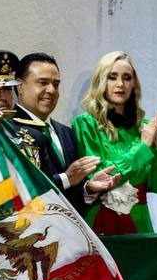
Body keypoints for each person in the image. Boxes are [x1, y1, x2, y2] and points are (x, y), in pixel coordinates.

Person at [72, 51, 157, 233]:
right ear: (101, 82)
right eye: (112, 77)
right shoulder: (86, 123)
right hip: (102, 220)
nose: (120, 84)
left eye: (127, 78)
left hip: (140, 222)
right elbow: (104, 175)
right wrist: (144, 147)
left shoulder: (144, 128)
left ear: (134, 85)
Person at [12, 52, 119, 215]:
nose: (51, 90)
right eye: (43, 83)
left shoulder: (66, 133)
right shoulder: (7, 129)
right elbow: (18, 189)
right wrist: (66, 178)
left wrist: (88, 189)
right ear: (20, 87)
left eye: (56, 84)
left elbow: (72, 195)